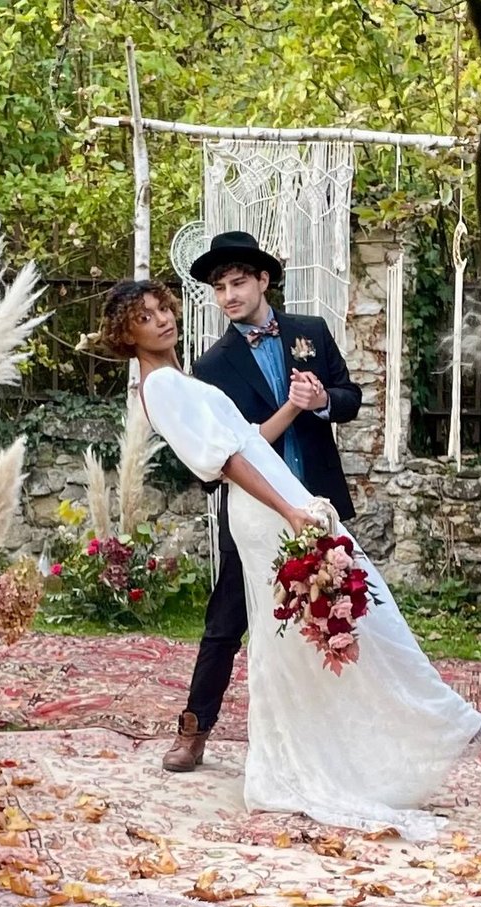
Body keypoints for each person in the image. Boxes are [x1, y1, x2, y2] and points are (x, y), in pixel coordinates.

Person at [98, 277, 481, 841]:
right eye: (144, 318)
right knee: (335, 623)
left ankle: (440, 725)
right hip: (269, 511)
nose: (161, 320)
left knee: (356, 614)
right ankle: (406, 736)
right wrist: (289, 511)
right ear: (127, 335)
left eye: (161, 309)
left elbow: (247, 440)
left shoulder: (178, 378)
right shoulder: (164, 388)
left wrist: (295, 410)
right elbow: (224, 463)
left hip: (284, 499)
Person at [167, 231, 362, 775]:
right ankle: (193, 729)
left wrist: (322, 400)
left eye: (237, 283)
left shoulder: (311, 333)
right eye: (219, 287)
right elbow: (228, 451)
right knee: (225, 622)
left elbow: (351, 398)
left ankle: (346, 733)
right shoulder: (211, 367)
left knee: (344, 613)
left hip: (318, 501)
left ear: (263, 281)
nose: (228, 295)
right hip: (256, 512)